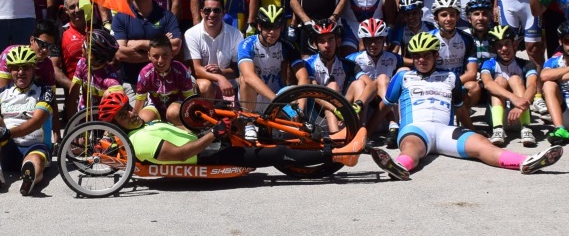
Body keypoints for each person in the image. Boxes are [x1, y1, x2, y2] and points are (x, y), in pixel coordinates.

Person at [95, 91, 410, 180]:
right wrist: (212, 135)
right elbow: (180, 154)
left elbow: (149, 110)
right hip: (210, 155)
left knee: (248, 122)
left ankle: (329, 142)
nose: (132, 113)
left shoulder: (138, 128)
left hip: (209, 142)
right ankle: (343, 153)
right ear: (120, 125)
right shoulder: (141, 140)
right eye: (125, 115)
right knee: (272, 153)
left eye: (128, 109)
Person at [380, 33, 564, 177]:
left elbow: (460, 109)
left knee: (483, 145)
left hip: (445, 130)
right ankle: (399, 166)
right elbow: (384, 107)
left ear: (436, 55)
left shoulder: (451, 77)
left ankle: (526, 162)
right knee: (412, 148)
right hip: (415, 128)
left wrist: (471, 129)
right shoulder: (403, 76)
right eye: (417, 56)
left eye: (426, 55)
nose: (421, 60)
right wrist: (363, 130)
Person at [0, 46, 53, 196]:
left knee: (35, 161)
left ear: (33, 69)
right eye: (15, 68)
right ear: (10, 71)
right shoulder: (1, 93)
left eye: (25, 68)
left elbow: (37, 121)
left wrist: (8, 133)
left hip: (34, 145)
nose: (20, 72)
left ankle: (29, 178)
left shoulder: (45, 91)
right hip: (7, 146)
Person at [236, 5, 307, 127]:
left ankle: (293, 123)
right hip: (254, 99)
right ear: (259, 26)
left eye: (276, 27)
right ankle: (249, 124)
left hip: (276, 97)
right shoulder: (247, 44)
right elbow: (248, 76)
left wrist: (299, 109)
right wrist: (278, 101)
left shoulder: (288, 46)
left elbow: (304, 78)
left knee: (294, 90)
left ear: (282, 27)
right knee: (245, 80)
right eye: (267, 27)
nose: (272, 32)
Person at [112, 0, 183, 84]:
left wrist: (140, 43)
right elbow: (120, 54)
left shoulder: (167, 16)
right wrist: (161, 50)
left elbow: (175, 47)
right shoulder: (120, 17)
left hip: (165, 82)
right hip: (132, 83)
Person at [478, 27, 539, 148]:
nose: (504, 48)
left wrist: (521, 106)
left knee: (515, 79)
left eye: (507, 44)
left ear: (514, 45)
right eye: (499, 46)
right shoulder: (489, 63)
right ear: (494, 49)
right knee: (499, 81)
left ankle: (526, 128)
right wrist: (513, 98)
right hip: (496, 117)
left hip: (521, 114)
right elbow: (488, 83)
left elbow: (532, 86)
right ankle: (498, 129)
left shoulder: (527, 64)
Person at [427, 0, 480, 127]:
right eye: (444, 15)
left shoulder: (467, 39)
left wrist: (451, 84)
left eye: (452, 15)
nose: (448, 19)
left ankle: (460, 116)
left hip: (457, 82)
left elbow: (472, 73)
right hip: (435, 83)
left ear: (457, 17)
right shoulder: (428, 38)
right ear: (436, 18)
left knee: (475, 87)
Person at [348, 18, 400, 141]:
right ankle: (361, 132)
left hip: (383, 106)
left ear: (384, 39)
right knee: (361, 83)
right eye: (369, 40)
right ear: (363, 41)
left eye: (377, 39)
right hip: (364, 103)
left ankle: (393, 125)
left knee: (386, 78)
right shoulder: (352, 59)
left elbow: (416, 63)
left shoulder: (394, 58)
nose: (373, 44)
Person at [186, 0, 244, 99]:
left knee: (246, 80)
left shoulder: (236, 34)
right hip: (205, 83)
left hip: (228, 85)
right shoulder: (191, 34)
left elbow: (238, 69)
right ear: (201, 12)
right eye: (207, 10)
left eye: (216, 10)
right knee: (205, 86)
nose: (212, 14)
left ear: (223, 13)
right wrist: (219, 78)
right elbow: (197, 70)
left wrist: (221, 72)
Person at [136, 35, 198, 126]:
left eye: (165, 55)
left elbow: (189, 101)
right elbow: (139, 103)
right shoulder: (145, 73)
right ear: (149, 55)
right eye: (155, 56)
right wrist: (133, 124)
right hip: (155, 106)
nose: (160, 61)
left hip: (177, 107)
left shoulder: (181, 70)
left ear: (172, 54)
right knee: (142, 119)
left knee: (172, 112)